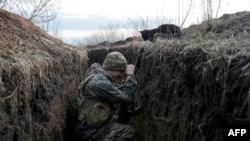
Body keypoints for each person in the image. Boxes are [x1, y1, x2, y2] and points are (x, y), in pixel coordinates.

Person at [74, 51, 138, 141]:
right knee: (129, 131)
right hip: (89, 131)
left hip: (90, 121)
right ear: (115, 69)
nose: (122, 75)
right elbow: (127, 98)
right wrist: (131, 75)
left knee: (119, 120)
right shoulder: (99, 82)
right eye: (121, 71)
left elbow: (115, 89)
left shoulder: (97, 75)